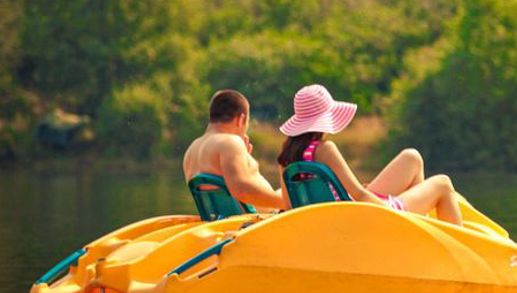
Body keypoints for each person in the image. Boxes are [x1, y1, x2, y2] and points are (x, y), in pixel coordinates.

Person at [276, 84, 464, 225]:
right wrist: (397, 216)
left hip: (339, 217)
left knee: (412, 157)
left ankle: (418, 229)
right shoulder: (325, 149)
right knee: (443, 183)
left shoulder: (286, 157)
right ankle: (452, 247)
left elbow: (289, 206)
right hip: (360, 220)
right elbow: (359, 195)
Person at [183, 89, 285, 211]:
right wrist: (285, 202)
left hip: (220, 220)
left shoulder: (192, 149)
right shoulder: (229, 142)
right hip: (253, 222)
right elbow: (241, 190)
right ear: (240, 119)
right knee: (293, 194)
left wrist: (244, 160)